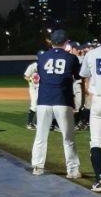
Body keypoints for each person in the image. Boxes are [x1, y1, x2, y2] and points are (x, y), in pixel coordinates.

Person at [31, 29, 81, 178]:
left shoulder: (43, 57)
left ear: (51, 42)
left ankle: (38, 167)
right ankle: (72, 171)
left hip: (44, 101)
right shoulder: (71, 58)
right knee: (68, 138)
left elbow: (42, 74)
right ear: (66, 43)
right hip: (62, 100)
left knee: (40, 136)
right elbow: (77, 76)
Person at [80, 35, 101, 191]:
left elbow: (83, 76)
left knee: (96, 141)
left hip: (99, 100)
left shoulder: (92, 53)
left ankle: (99, 181)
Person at [23, 50, 43, 129]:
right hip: (34, 88)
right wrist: (31, 80)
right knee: (34, 105)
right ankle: (29, 124)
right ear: (37, 57)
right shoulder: (32, 66)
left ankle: (38, 123)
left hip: (42, 88)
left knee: (40, 106)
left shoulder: (45, 66)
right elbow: (25, 76)